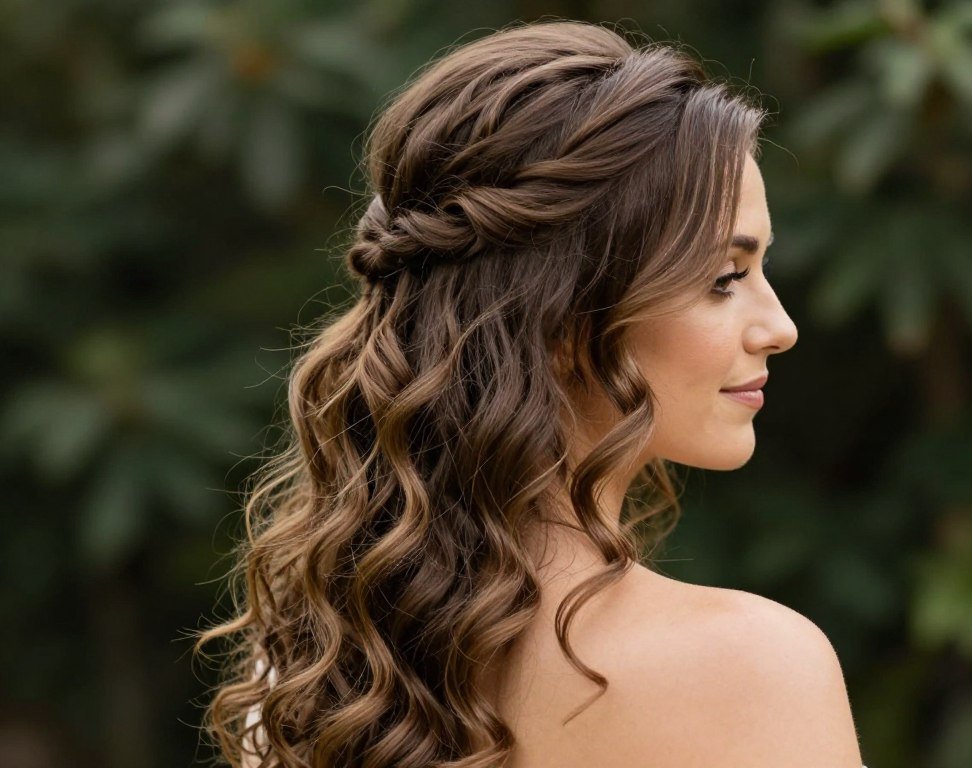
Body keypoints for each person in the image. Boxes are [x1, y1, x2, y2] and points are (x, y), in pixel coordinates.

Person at [197, 19, 867, 768]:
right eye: (724, 279)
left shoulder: (308, 678)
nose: (779, 327)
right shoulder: (752, 667)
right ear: (562, 319)